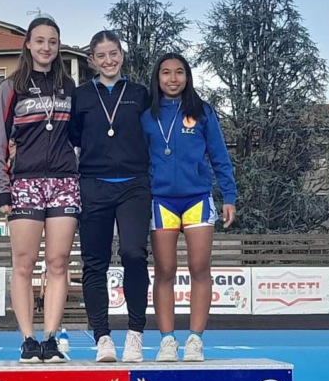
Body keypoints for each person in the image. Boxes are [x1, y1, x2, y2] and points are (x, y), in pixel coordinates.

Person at [0, 15, 79, 364]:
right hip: (25, 182)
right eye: (40, 41)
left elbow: (79, 136)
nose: (46, 47)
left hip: (64, 183)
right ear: (28, 44)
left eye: (52, 42)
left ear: (58, 47)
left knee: (58, 263)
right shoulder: (10, 87)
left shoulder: (69, 86)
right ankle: (28, 339)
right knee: (24, 264)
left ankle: (51, 338)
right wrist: (2, 189)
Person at [141, 53, 236, 363]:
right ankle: (167, 340)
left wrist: (229, 195)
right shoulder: (147, 116)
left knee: (199, 268)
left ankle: (195, 339)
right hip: (161, 200)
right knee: (165, 270)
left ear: (187, 76)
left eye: (179, 72)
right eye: (166, 72)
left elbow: (219, 156)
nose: (173, 78)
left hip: (197, 198)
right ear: (157, 78)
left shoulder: (202, 111)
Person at [69, 30, 152, 363]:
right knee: (94, 262)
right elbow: (74, 136)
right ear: (92, 60)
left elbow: (151, 134)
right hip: (94, 184)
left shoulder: (140, 93)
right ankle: (102, 337)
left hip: (134, 184)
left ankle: (135, 334)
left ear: (122, 55)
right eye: (101, 55)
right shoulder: (80, 96)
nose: (108, 60)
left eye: (113, 53)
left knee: (134, 253)